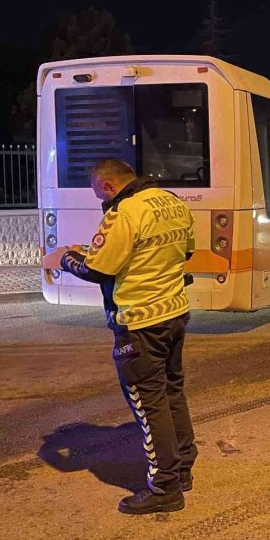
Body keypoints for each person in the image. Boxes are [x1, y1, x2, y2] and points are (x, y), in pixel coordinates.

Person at [56, 159, 197, 515]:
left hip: (139, 322)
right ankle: (181, 470)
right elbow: (184, 252)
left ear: (107, 186)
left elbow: (98, 269)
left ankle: (164, 487)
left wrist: (65, 258)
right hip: (174, 314)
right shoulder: (172, 203)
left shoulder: (123, 213)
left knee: (150, 405)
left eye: (97, 193)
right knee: (171, 393)